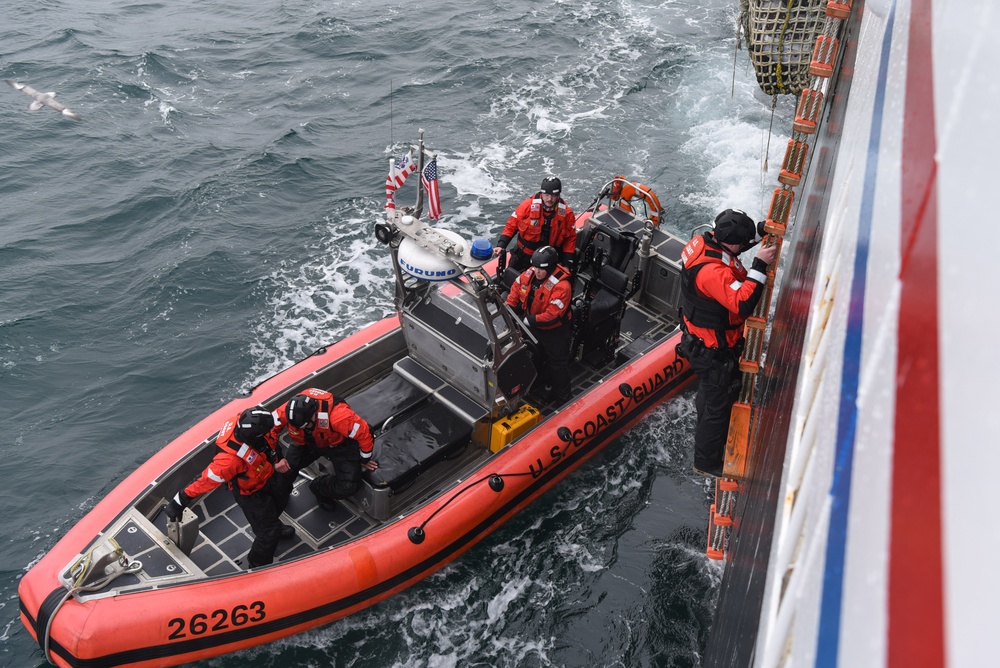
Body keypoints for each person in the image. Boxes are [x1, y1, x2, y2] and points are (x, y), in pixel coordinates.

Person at [676, 208, 778, 478]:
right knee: (716, 410)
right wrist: (758, 266)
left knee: (711, 398)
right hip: (711, 350)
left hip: (701, 340)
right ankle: (706, 463)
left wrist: (760, 230)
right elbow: (743, 303)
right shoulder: (712, 273)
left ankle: (706, 418)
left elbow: (732, 250)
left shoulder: (707, 240)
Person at [164, 407, 294, 569]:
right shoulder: (229, 461)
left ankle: (275, 524)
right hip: (251, 494)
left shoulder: (242, 423)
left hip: (267, 474)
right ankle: (258, 565)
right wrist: (178, 502)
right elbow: (205, 480)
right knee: (268, 533)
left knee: (282, 494)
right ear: (256, 436)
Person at [273, 388, 378, 510]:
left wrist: (363, 459)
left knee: (348, 486)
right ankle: (279, 498)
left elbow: (365, 433)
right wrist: (278, 459)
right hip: (307, 443)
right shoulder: (289, 410)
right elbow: (268, 431)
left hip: (339, 446)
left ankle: (319, 488)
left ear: (314, 414)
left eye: (305, 425)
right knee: (283, 470)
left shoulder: (340, 417)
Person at [505, 245, 574, 404]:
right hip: (530, 324)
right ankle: (527, 387)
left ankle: (564, 400)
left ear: (550, 268)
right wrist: (509, 307)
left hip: (554, 331)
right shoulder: (530, 273)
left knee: (558, 366)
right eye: (535, 267)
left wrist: (531, 320)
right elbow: (516, 289)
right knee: (524, 353)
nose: (537, 271)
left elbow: (553, 316)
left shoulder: (562, 286)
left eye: (541, 269)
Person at [495, 176, 576, 273]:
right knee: (512, 277)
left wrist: (567, 264)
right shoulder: (527, 206)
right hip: (524, 255)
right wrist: (501, 245)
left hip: (548, 259)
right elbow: (511, 225)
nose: (549, 199)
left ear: (558, 195)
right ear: (542, 193)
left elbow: (570, 239)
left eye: (553, 196)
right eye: (546, 195)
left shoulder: (567, 214)